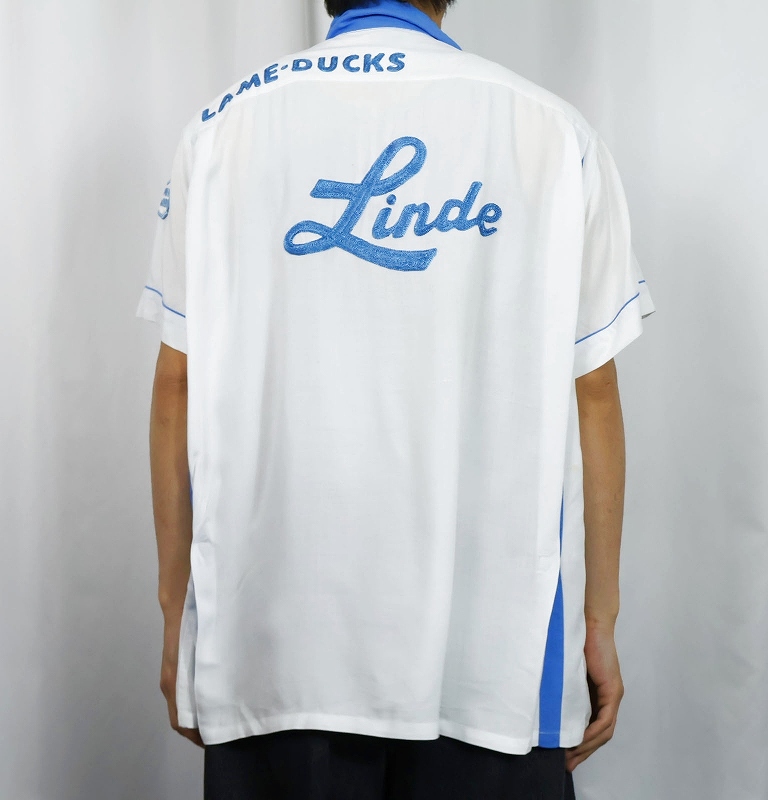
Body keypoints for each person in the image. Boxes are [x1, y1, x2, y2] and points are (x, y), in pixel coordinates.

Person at [136, 0, 655, 797]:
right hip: (494, 665)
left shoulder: (220, 129)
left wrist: (179, 613)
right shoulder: (553, 133)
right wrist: (599, 622)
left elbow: (178, 385)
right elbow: (594, 394)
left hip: (271, 654)